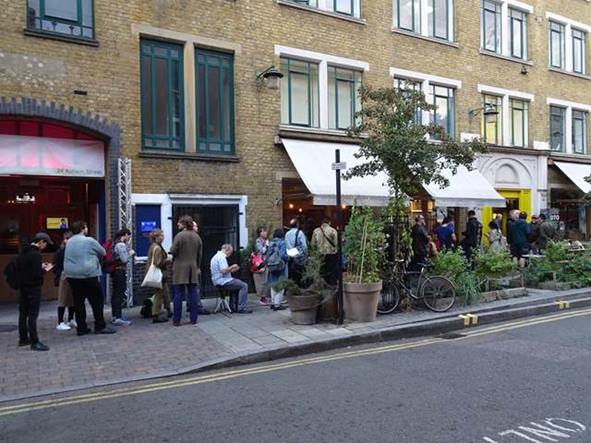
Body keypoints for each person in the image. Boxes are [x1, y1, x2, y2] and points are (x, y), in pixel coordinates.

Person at [65, 221, 116, 336]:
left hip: (72, 275)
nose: (87, 229)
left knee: (78, 302)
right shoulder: (89, 241)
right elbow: (103, 252)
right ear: (83, 229)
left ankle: (81, 328)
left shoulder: (69, 241)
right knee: (97, 300)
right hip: (88, 274)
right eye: (86, 227)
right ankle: (100, 325)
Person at [17, 232, 54, 351]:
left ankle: (23, 338)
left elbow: (25, 267)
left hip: (23, 286)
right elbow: (36, 274)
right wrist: (46, 269)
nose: (45, 246)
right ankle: (35, 342)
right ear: (41, 242)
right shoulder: (36, 254)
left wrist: (40, 265)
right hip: (33, 288)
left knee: (23, 313)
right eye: (46, 244)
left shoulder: (23, 251)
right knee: (33, 315)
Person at [170, 216, 202, 326]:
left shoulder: (179, 236)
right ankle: (193, 319)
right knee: (193, 294)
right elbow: (200, 255)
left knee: (178, 294)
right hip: (193, 267)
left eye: (179, 222)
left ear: (184, 224)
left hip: (180, 267)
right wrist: (197, 266)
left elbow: (173, 250)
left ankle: (176, 320)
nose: (177, 224)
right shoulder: (197, 237)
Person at [210, 244, 253, 314]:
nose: (230, 254)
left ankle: (233, 306)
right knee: (244, 285)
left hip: (218, 280)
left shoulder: (216, 256)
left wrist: (234, 269)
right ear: (227, 250)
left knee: (237, 283)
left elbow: (225, 271)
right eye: (230, 252)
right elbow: (223, 271)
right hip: (222, 281)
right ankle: (242, 308)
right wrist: (232, 266)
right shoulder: (221, 257)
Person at [146, 229, 171, 323]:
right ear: (156, 237)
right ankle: (155, 314)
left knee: (165, 292)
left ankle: (168, 310)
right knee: (159, 294)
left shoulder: (153, 246)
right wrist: (168, 260)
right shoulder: (157, 248)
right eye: (161, 235)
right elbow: (158, 262)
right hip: (159, 274)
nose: (163, 237)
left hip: (160, 275)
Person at [111, 228, 134, 326]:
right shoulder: (121, 245)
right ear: (125, 235)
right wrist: (130, 254)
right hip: (119, 271)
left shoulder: (114, 243)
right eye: (129, 236)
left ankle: (114, 316)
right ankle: (118, 317)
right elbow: (124, 259)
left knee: (115, 294)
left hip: (115, 271)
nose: (129, 238)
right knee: (119, 294)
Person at [53, 231, 76, 331]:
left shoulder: (74, 250)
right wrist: (61, 273)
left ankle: (71, 319)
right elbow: (55, 265)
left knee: (72, 299)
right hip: (64, 276)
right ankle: (60, 321)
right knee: (62, 299)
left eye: (68, 238)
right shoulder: (60, 251)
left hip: (73, 276)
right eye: (66, 239)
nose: (67, 241)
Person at [311, 218, 338, 286]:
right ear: (329, 222)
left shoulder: (316, 231)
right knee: (331, 269)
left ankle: (322, 284)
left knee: (321, 270)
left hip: (320, 253)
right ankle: (331, 284)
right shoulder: (333, 230)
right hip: (331, 253)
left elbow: (313, 244)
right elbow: (336, 243)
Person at [191, 222, 211, 316]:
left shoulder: (183, 236)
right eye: (195, 226)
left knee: (190, 288)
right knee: (196, 287)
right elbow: (198, 254)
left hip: (186, 267)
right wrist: (198, 267)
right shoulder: (195, 238)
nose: (197, 227)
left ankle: (190, 305)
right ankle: (197, 306)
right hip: (193, 266)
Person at [266, 229, 289, 311]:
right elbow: (282, 255)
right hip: (280, 266)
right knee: (281, 284)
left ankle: (273, 303)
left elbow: (267, 255)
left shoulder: (271, 243)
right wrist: (288, 257)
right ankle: (277, 304)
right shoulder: (282, 243)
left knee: (273, 283)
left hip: (271, 266)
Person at [285, 218, 308, 286]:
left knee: (291, 276)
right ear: (297, 225)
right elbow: (304, 247)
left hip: (290, 258)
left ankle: (291, 288)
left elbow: (286, 246)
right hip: (298, 259)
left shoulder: (287, 234)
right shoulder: (300, 233)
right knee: (299, 277)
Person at [253, 227, 270, 305]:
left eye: (265, 231)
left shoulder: (266, 240)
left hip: (266, 263)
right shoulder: (258, 241)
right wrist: (266, 245)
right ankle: (262, 298)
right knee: (261, 281)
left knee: (265, 280)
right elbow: (262, 251)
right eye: (263, 231)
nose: (265, 233)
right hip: (261, 263)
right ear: (259, 233)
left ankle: (264, 298)